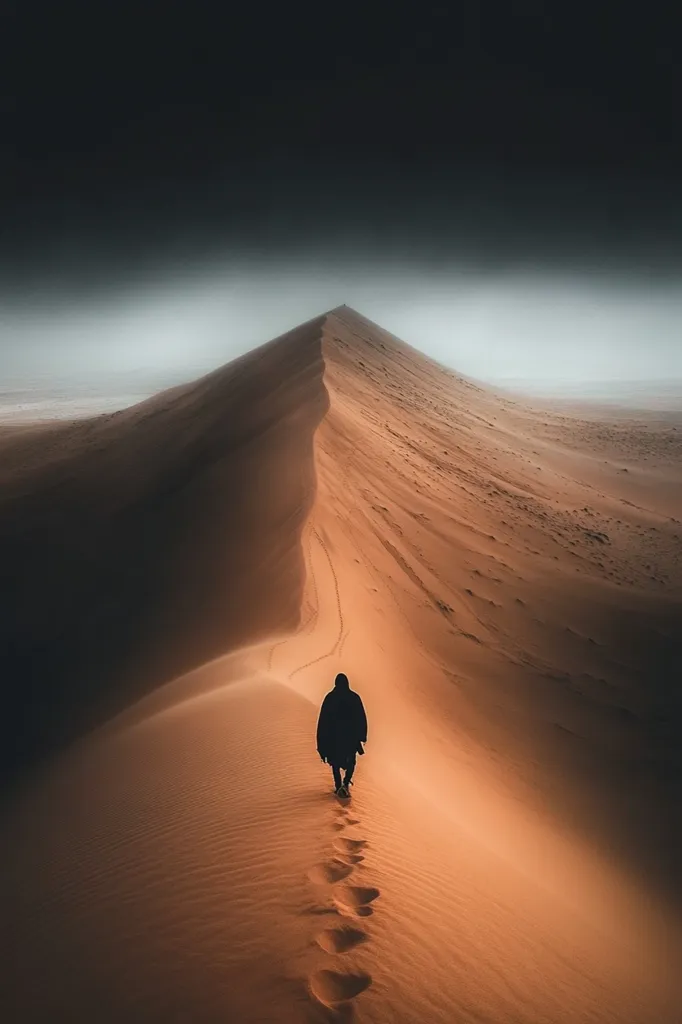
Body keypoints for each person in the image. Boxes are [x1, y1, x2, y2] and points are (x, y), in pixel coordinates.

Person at [316, 672, 367, 798]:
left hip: (334, 739)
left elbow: (323, 721)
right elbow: (361, 718)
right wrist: (362, 735)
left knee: (335, 763)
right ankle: (345, 784)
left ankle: (339, 786)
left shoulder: (330, 698)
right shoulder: (354, 697)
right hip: (350, 739)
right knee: (351, 762)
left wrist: (321, 742)